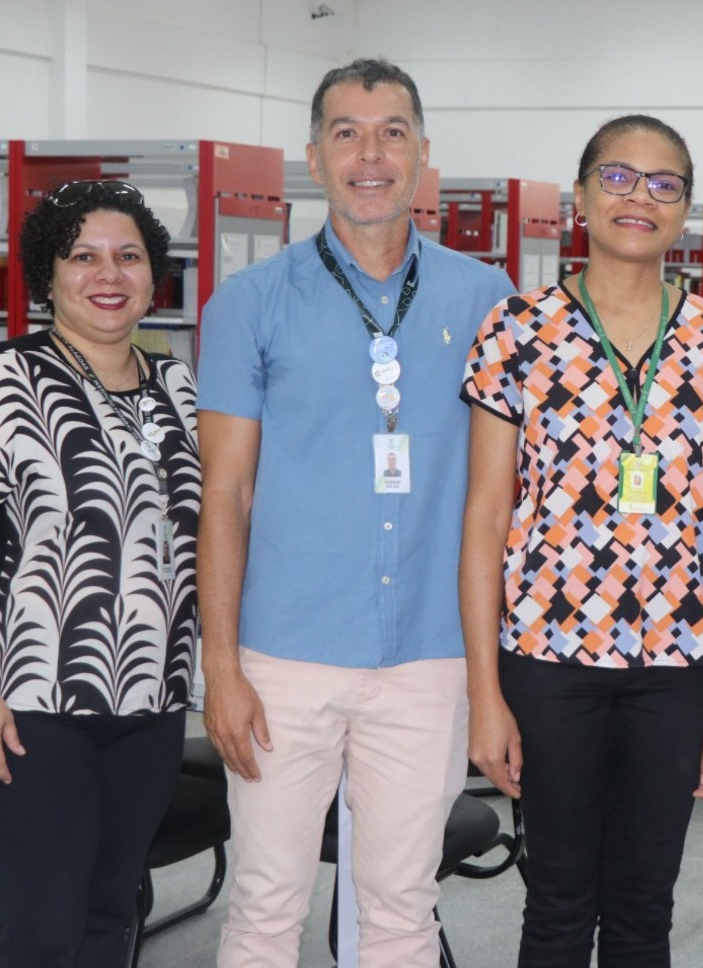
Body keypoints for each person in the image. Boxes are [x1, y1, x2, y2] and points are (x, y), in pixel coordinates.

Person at [197, 58, 515, 966]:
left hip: (429, 656)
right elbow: (225, 494)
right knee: (264, 908)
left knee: (402, 912)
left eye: (390, 133)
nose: (369, 155)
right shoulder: (248, 304)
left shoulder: (486, 301)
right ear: (312, 154)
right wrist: (220, 666)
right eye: (346, 133)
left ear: (423, 153)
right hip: (281, 660)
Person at [459, 113, 703, 967]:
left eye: (665, 184)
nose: (641, 197)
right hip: (546, 660)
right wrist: (484, 694)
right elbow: (486, 514)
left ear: (686, 212)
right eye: (620, 177)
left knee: (643, 910)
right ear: (581, 197)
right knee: (556, 905)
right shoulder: (517, 332)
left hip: (679, 667)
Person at [0, 179, 197, 965]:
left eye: (129, 257)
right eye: (85, 257)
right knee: (40, 924)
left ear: (153, 275)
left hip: (151, 697)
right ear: (49, 274)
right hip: (23, 700)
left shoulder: (178, 388)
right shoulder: (4, 382)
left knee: (111, 910)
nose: (109, 275)